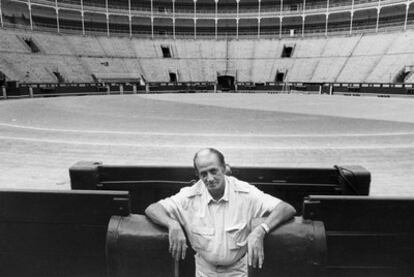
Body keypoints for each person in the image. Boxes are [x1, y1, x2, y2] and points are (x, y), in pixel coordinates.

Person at [145, 148, 296, 277]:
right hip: (204, 272)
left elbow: (285, 208)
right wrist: (172, 224)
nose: (209, 178)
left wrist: (261, 230)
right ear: (197, 175)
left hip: (237, 272)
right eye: (203, 174)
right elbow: (152, 209)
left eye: (213, 171)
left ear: (224, 168)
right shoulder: (189, 196)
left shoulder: (245, 193)